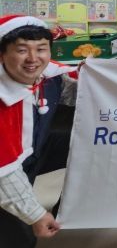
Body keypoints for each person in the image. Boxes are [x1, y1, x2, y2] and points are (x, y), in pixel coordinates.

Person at [0, 15, 76, 248]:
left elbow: (75, 93)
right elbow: (4, 170)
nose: (33, 59)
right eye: (22, 50)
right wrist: (35, 215)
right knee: (19, 238)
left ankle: (70, 207)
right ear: (2, 54)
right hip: (6, 169)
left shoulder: (47, 76)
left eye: (41, 49)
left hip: (32, 151)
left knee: (85, 142)